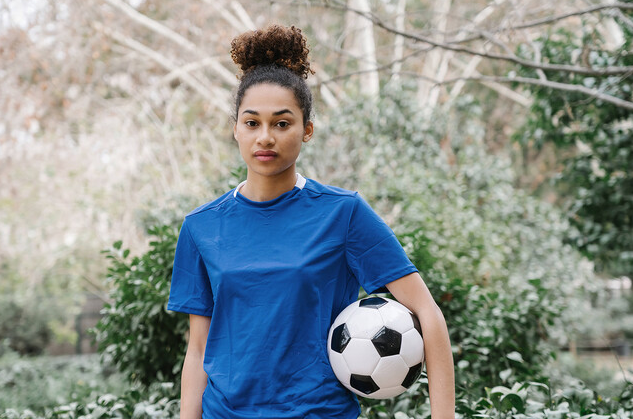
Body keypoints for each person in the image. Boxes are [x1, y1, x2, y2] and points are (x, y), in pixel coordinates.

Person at [167, 24, 455, 419]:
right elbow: (197, 350)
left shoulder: (343, 213)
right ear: (235, 129)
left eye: (282, 123)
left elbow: (426, 311)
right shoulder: (201, 227)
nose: (265, 137)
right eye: (252, 123)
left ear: (307, 130)